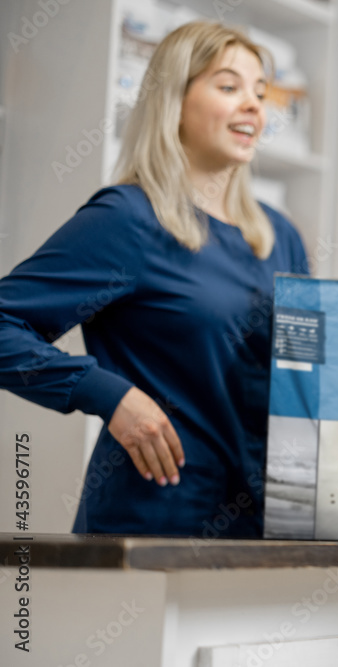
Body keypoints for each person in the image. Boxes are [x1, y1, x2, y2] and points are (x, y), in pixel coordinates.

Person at [0, 22, 310, 536]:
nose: (255, 105)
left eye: (260, 92)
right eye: (229, 87)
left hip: (267, 531)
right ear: (173, 101)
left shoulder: (279, 238)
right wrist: (108, 393)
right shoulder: (129, 220)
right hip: (157, 524)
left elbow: (297, 384)